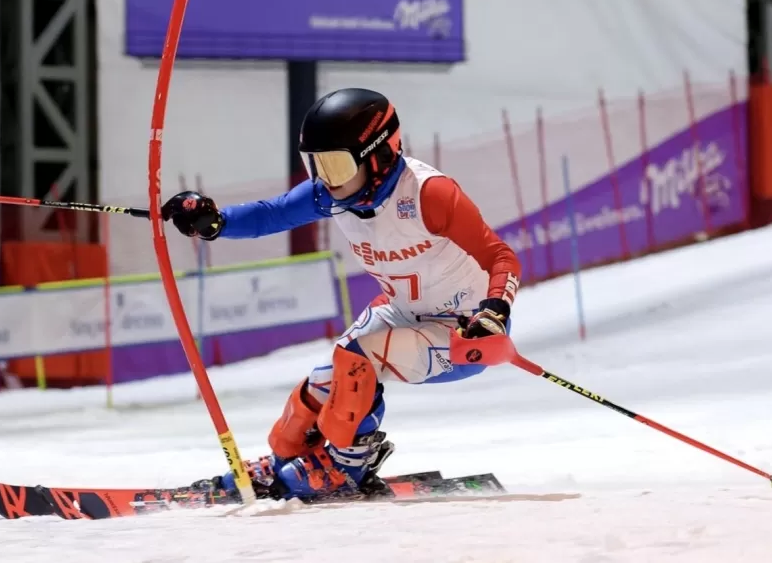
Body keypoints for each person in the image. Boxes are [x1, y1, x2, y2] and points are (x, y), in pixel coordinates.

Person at [161, 88, 522, 501]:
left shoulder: (428, 194)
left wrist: (495, 310)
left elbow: (501, 257)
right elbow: (272, 213)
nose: (327, 180)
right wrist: (215, 223)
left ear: (379, 155)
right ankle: (283, 462)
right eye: (317, 165)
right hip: (403, 313)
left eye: (336, 164)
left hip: (463, 332)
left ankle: (347, 468)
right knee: (318, 389)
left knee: (358, 360)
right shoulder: (334, 195)